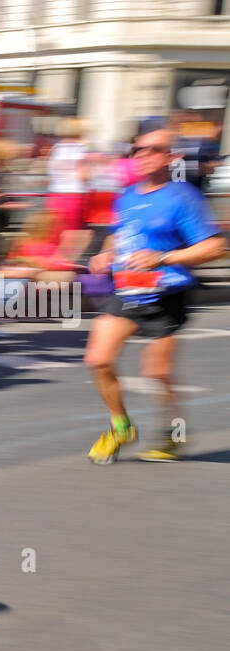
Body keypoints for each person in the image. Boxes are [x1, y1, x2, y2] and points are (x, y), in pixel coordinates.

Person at [85, 125, 226, 464]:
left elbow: (216, 246)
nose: (143, 156)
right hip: (128, 289)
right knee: (98, 360)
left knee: (157, 374)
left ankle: (174, 434)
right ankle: (121, 427)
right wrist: (105, 254)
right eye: (138, 150)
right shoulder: (128, 196)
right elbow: (119, 236)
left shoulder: (183, 197)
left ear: (171, 157)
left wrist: (162, 257)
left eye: (154, 150)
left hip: (167, 292)